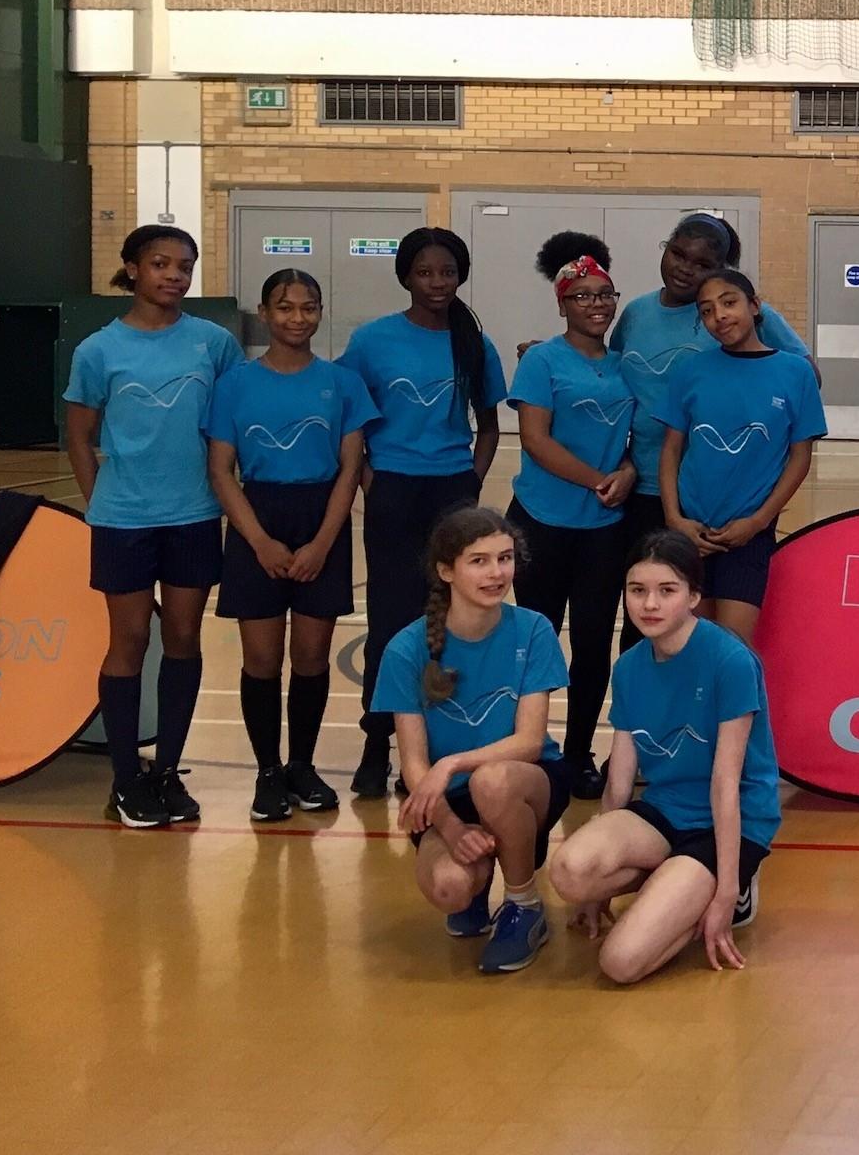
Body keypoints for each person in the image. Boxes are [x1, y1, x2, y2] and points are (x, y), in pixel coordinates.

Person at [64, 225, 245, 828]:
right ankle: (124, 779)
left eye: (184, 266)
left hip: (194, 515)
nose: (173, 275)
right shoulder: (97, 350)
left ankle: (166, 771)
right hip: (124, 520)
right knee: (130, 641)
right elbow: (80, 436)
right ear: (133, 269)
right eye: (161, 264)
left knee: (185, 641)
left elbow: (230, 425)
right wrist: (104, 503)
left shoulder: (214, 344)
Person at [548, 530, 781, 983]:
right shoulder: (631, 666)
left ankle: (724, 889)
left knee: (619, 963)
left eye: (666, 591)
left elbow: (726, 783)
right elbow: (619, 783)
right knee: (571, 874)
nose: (649, 605)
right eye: (638, 591)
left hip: (730, 819)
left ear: (694, 596)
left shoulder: (730, 660)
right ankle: (675, 883)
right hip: (666, 809)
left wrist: (724, 892)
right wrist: (598, 891)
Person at [338, 228, 507, 800]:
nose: (438, 283)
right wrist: (369, 480)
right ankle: (375, 742)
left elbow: (488, 424)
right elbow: (352, 419)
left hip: (451, 493)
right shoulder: (372, 341)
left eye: (448, 272)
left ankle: (440, 746)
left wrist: (472, 481)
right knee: (389, 624)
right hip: (393, 491)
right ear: (406, 277)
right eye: (425, 272)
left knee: (450, 621)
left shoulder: (472, 343)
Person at [204, 270, 377, 822]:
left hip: (319, 517)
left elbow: (351, 468)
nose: (297, 317)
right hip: (259, 520)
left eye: (308, 307)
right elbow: (222, 471)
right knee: (261, 658)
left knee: (309, 656)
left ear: (320, 312)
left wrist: (324, 542)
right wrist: (259, 542)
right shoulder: (235, 383)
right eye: (285, 307)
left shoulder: (342, 382)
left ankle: (302, 764)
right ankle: (267, 772)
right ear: (264, 312)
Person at [370, 506, 572, 975]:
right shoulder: (406, 649)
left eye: (504, 559)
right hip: (448, 800)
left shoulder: (534, 630)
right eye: (479, 561)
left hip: (526, 783)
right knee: (449, 888)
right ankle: (476, 888)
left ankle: (524, 906)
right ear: (446, 571)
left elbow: (528, 741)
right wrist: (452, 828)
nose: (496, 572)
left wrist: (453, 765)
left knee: (492, 781)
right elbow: (414, 766)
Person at [508, 232, 638, 799]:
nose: (597, 304)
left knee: (592, 644)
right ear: (562, 303)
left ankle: (581, 750)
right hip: (541, 522)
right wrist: (597, 479)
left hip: (604, 531)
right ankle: (529, 746)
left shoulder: (626, 366)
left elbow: (640, 439)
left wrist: (628, 472)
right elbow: (535, 439)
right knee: (536, 640)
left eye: (605, 294)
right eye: (583, 296)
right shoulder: (541, 360)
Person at [611, 213, 813, 562]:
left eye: (702, 264)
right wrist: (554, 351)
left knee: (700, 605)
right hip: (639, 480)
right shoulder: (636, 313)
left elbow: (802, 379)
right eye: (677, 254)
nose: (685, 268)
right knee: (644, 596)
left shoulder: (742, 313)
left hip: (717, 496)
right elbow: (607, 371)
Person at [658, 268, 826, 640]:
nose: (719, 316)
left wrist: (758, 522)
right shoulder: (691, 371)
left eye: (729, 302)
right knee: (690, 644)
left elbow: (800, 457)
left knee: (734, 646)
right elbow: (671, 450)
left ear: (754, 306)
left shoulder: (795, 372)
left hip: (747, 536)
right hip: (691, 533)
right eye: (706, 311)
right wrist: (675, 519)